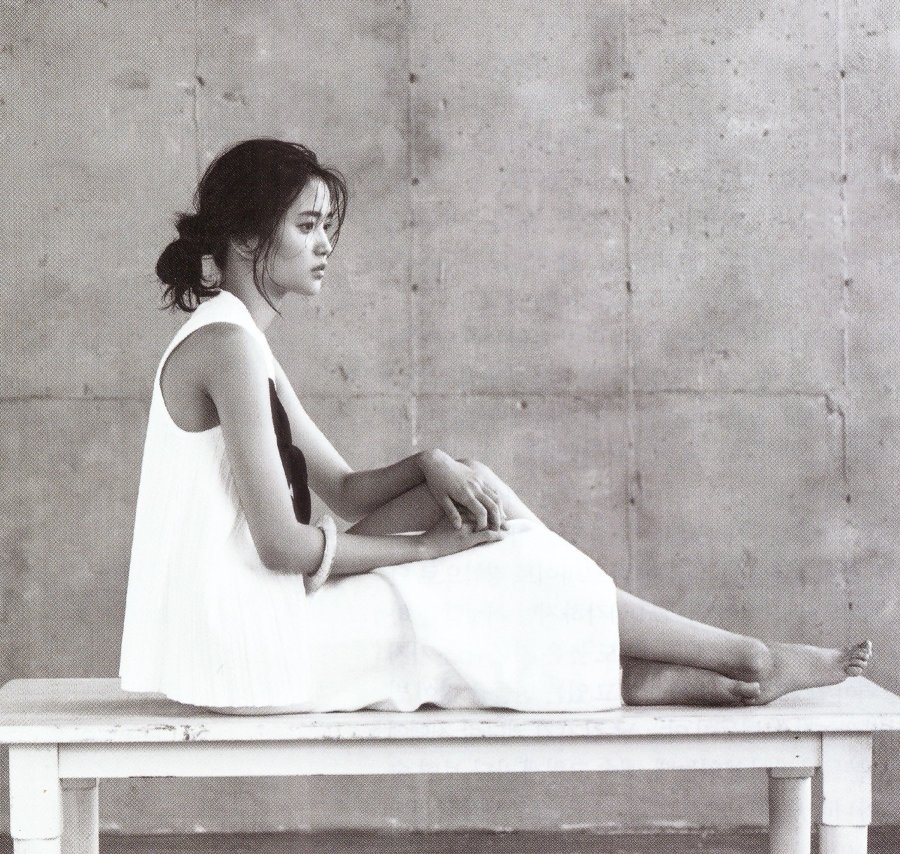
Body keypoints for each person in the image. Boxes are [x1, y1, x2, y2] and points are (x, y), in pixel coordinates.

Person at [119, 138, 871, 715]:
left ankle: (650, 668)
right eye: (307, 226)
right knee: (472, 568)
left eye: (327, 227)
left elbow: (345, 491)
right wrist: (429, 550)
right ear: (249, 239)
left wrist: (431, 461)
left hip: (261, 622)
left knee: (473, 494)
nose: (325, 245)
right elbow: (281, 546)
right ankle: (734, 657)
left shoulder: (240, 342)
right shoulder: (226, 346)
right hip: (250, 650)